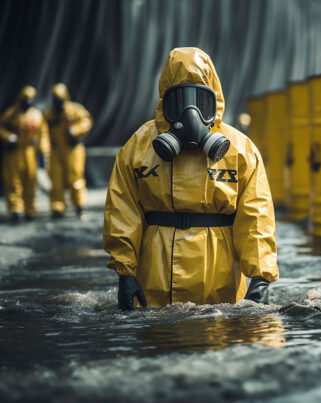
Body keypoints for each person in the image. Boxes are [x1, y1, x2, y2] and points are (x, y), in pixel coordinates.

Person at [103, 47, 278, 310]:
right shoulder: (139, 146)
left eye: (200, 100)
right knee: (160, 341)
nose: (190, 111)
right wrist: (124, 273)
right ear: (165, 101)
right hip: (155, 276)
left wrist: (260, 278)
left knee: (219, 342)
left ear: (214, 99)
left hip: (221, 278)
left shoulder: (240, 149)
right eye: (179, 100)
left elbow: (256, 216)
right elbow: (122, 210)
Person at [0, 86, 50, 222]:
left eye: (30, 99)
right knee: (13, 181)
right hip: (14, 153)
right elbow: (1, 128)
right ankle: (16, 209)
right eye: (25, 99)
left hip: (30, 152)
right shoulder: (11, 114)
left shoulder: (37, 115)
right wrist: (8, 137)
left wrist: (43, 151)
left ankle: (30, 209)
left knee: (30, 180)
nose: (27, 102)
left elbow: (43, 134)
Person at [45, 83, 93, 218]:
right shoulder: (49, 113)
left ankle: (79, 205)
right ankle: (57, 207)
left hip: (73, 150)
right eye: (55, 99)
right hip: (56, 151)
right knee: (56, 180)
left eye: (60, 99)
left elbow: (86, 121)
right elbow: (43, 130)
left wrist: (76, 130)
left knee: (75, 177)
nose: (57, 102)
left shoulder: (75, 110)